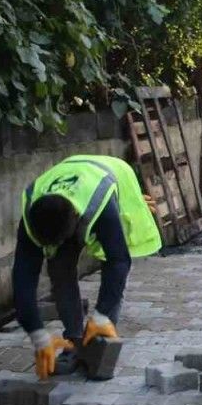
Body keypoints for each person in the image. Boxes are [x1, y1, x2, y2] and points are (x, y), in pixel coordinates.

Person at [13, 155, 162, 379]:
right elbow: (22, 281)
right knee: (60, 269)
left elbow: (118, 262)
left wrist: (102, 314)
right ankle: (74, 342)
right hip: (72, 182)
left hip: (111, 177)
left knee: (113, 262)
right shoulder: (31, 215)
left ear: (76, 218)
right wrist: (38, 337)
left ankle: (100, 339)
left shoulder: (99, 202)